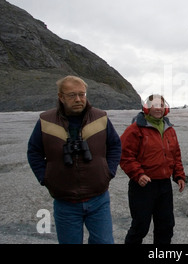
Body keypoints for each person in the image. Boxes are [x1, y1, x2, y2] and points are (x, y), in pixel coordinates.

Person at [27, 75, 121, 244]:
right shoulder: (46, 121)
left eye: (82, 94)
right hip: (65, 201)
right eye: (72, 95)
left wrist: (109, 171)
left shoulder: (100, 118)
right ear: (61, 97)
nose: (78, 99)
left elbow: (115, 145)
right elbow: (34, 152)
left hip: (98, 198)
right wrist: (45, 177)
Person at [120, 94, 186, 244]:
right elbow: (125, 155)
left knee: (166, 226)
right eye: (154, 105)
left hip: (164, 185)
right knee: (140, 227)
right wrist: (138, 174)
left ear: (165, 108)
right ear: (147, 108)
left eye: (161, 105)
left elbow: (175, 154)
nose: (158, 108)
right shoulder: (135, 129)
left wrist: (179, 175)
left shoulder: (169, 129)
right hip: (143, 185)